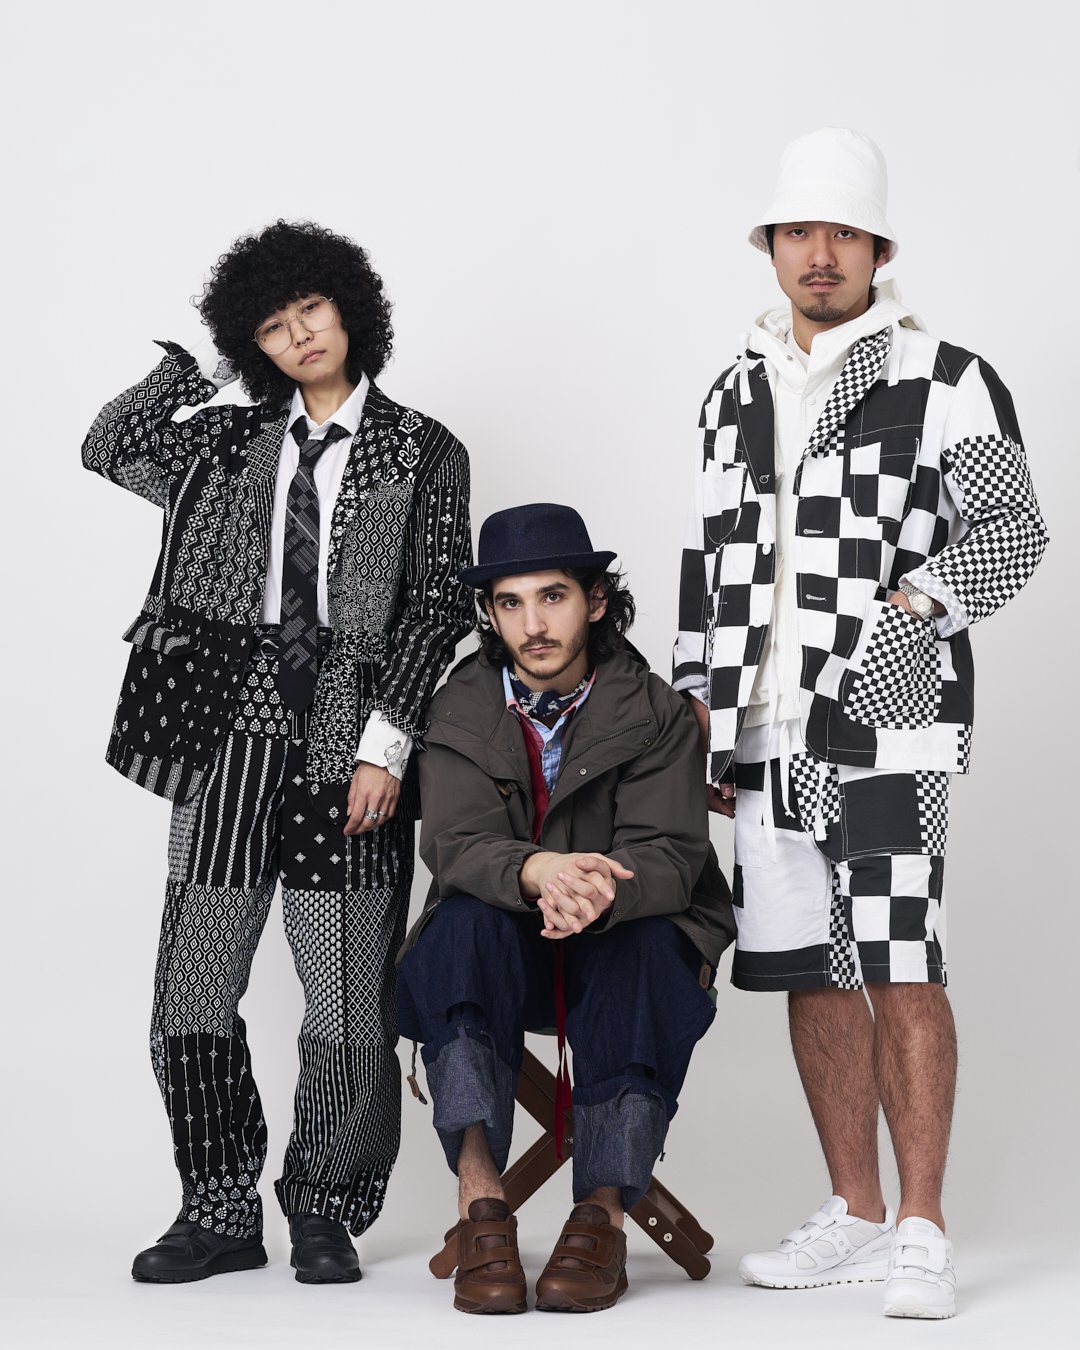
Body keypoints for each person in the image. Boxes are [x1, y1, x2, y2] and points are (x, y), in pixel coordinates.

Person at [673, 128, 1047, 1319]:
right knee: (809, 967)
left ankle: (924, 1228)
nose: (819, 253)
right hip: (762, 725)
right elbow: (708, 561)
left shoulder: (946, 376)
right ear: (772, 248)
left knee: (898, 957)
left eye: (843, 233)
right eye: (799, 232)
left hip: (889, 717)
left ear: (880, 250)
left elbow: (1013, 528)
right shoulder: (730, 391)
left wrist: (913, 610)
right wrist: (705, 710)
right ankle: (858, 1212)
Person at [82, 220, 474, 1284]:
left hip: (348, 728)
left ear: (350, 309)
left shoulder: (423, 449)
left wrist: (386, 746)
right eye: (270, 326)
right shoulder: (225, 442)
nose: (299, 335)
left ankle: (325, 1208)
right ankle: (216, 1209)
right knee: (193, 989)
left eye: (311, 309)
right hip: (224, 728)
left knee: (346, 1001)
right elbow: (109, 446)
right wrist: (207, 371)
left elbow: (437, 609)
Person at [397, 503, 734, 1314]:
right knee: (457, 933)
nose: (533, 624)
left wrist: (595, 893)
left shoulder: (654, 710)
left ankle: (601, 1214)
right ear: (490, 614)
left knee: (643, 952)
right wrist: (538, 870)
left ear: (597, 601)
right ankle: (482, 1203)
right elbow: (455, 845)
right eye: (510, 604)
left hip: (624, 932)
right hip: (510, 941)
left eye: (553, 597)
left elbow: (671, 854)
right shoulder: (458, 707)